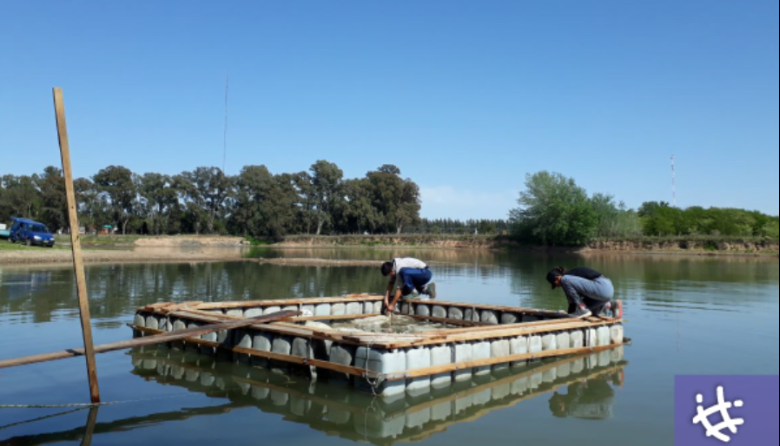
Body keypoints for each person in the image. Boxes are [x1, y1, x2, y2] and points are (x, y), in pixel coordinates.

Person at [546, 266, 621, 318]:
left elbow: (572, 300)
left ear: (557, 277)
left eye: (556, 284)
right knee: (590, 312)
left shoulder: (566, 279)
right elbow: (572, 302)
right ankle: (611, 305)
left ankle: (583, 309)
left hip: (602, 285)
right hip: (607, 291)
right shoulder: (570, 281)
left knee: (583, 310)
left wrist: (573, 313)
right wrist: (570, 315)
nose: (558, 286)